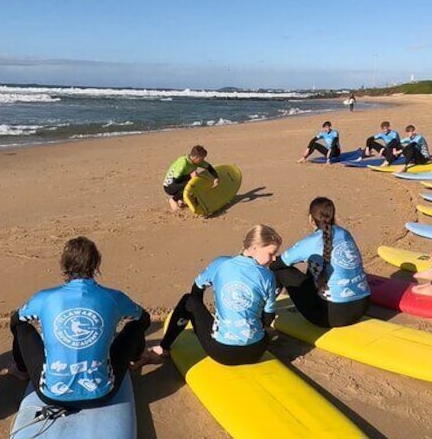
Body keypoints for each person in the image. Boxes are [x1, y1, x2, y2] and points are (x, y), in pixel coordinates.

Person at [7, 237, 151, 409]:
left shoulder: (45, 297)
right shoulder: (113, 297)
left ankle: (21, 369)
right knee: (134, 326)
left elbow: (17, 319)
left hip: (52, 395)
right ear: (96, 264)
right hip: (103, 394)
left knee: (21, 326)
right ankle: (136, 359)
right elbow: (144, 319)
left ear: (64, 265)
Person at [148, 225, 281, 366]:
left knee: (189, 300)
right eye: (271, 253)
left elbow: (197, 288)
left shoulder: (220, 264)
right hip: (257, 351)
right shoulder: (268, 276)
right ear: (254, 248)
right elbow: (268, 318)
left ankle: (164, 347)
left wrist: (198, 320)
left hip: (223, 353)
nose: (273, 259)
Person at [269, 197, 370, 327]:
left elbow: (276, 264)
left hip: (331, 317)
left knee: (281, 270)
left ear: (311, 219)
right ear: (334, 215)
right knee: (315, 263)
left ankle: (266, 311)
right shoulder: (345, 233)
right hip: (362, 307)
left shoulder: (310, 242)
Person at [163, 145, 219, 212]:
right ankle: (173, 200)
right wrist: (190, 176)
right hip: (170, 186)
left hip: (179, 184)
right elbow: (176, 180)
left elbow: (209, 167)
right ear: (196, 157)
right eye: (202, 159)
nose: (203, 160)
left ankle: (181, 199)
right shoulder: (183, 163)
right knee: (193, 182)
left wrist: (216, 178)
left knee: (194, 179)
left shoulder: (195, 162)